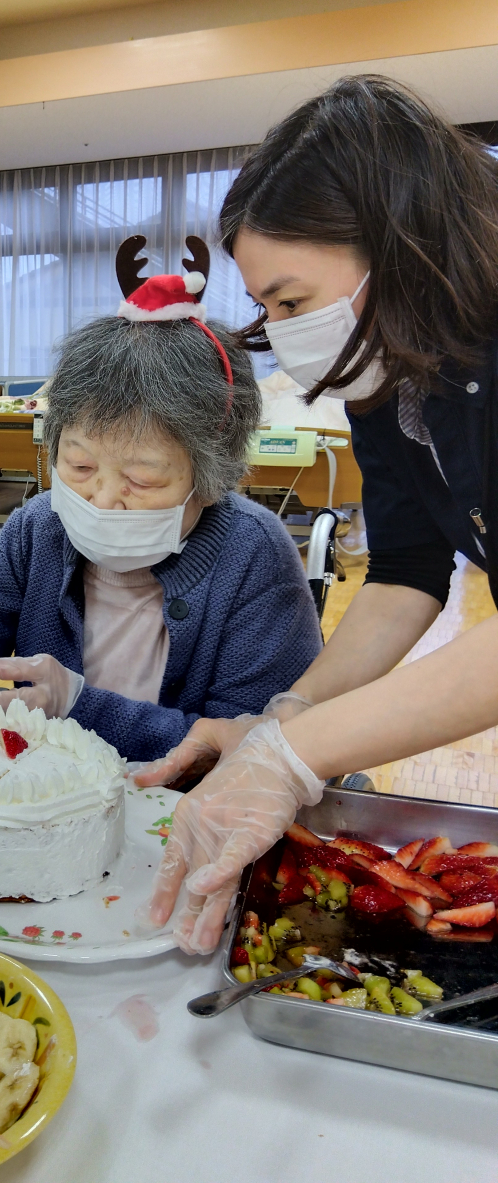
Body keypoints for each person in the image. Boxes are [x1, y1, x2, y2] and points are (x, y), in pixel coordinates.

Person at [137, 73, 498, 953]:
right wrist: (289, 714)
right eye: (267, 308)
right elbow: (407, 572)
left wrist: (298, 755)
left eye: (291, 302)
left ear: (400, 244)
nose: (282, 329)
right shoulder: (392, 372)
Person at [0, 267, 323, 761]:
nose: (102, 500)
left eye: (142, 478)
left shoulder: (255, 555)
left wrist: (77, 706)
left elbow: (255, 749)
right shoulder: (39, 529)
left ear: (211, 477)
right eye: (80, 466)